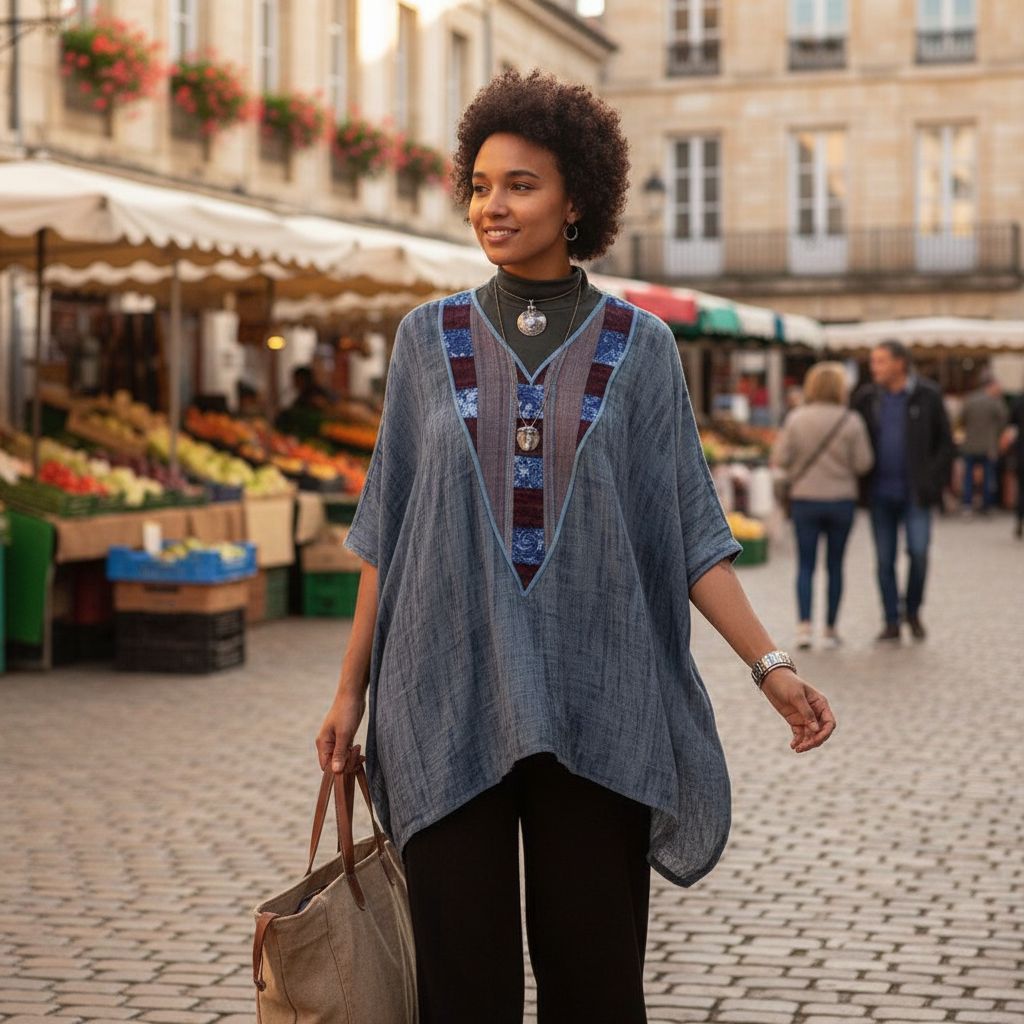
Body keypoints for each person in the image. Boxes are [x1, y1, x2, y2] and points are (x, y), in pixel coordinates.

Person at [315, 69, 836, 1024]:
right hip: (447, 694)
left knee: (595, 988)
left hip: (600, 699)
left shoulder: (643, 348)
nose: (493, 205)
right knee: (462, 993)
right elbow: (385, 528)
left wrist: (772, 667)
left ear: (576, 202)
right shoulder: (424, 340)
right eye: (480, 185)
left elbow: (690, 531)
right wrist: (351, 693)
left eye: (520, 185)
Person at [852, 340, 954, 642]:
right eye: (873, 361)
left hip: (916, 494)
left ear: (900, 363)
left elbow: (945, 444)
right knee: (885, 561)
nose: (874, 368)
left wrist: (932, 480)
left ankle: (912, 610)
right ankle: (891, 620)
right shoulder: (867, 398)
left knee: (918, 553)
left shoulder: (928, 394)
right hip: (879, 494)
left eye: (881, 361)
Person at [772, 362, 874, 650]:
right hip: (841, 500)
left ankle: (804, 627)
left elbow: (780, 458)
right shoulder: (851, 420)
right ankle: (830, 629)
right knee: (835, 566)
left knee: (805, 565)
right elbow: (864, 463)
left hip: (805, 499)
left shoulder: (796, 419)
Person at [960, 373, 1008, 513]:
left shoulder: (970, 399)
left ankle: (967, 504)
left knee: (968, 477)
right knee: (988, 476)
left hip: (970, 445)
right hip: (988, 446)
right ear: (990, 386)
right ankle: (986, 505)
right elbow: (1004, 420)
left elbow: (961, 419)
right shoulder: (995, 402)